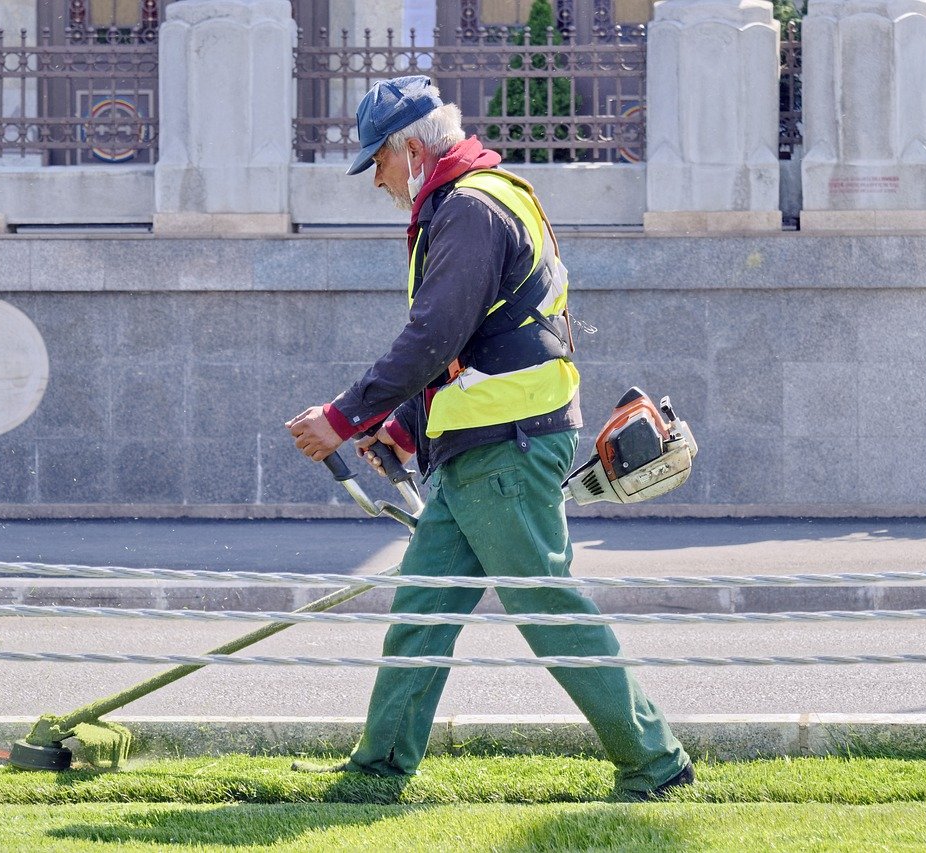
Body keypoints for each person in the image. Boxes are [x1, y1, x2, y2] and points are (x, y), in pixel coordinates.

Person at [286, 75, 693, 799]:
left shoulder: (468, 209)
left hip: (505, 448)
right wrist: (408, 429)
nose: (375, 179)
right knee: (422, 612)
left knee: (546, 606)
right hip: (488, 444)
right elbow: (477, 338)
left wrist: (343, 417)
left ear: (410, 148)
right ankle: (377, 773)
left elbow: (435, 332)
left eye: (376, 161)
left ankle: (656, 762)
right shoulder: (486, 197)